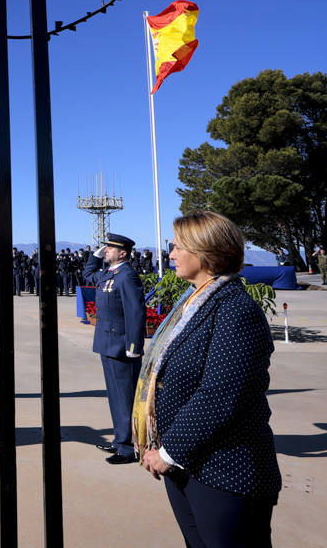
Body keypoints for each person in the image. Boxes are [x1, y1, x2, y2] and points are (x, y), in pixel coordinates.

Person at [135, 210, 281, 547]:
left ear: (206, 252)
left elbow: (220, 394)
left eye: (177, 247)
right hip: (189, 463)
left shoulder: (235, 309)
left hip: (224, 469)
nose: (170, 255)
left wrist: (168, 452)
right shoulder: (194, 301)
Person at [82, 232, 145, 464]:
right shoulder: (110, 273)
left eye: (110, 247)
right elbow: (89, 276)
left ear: (123, 253)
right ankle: (120, 440)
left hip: (121, 346)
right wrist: (94, 257)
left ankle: (128, 448)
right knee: (116, 397)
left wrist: (134, 344)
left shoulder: (127, 276)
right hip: (107, 344)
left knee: (125, 399)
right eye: (105, 247)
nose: (106, 249)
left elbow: (135, 311)